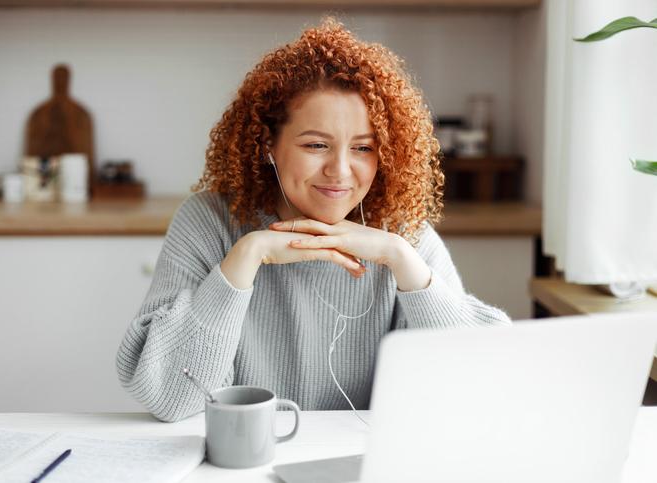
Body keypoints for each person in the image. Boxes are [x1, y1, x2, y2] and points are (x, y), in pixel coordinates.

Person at [116, 17, 510, 423]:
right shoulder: (209, 221)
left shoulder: (403, 232)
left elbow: (478, 388)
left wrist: (401, 259)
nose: (340, 170)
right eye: (317, 145)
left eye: (362, 148)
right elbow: (170, 399)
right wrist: (245, 258)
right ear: (268, 144)